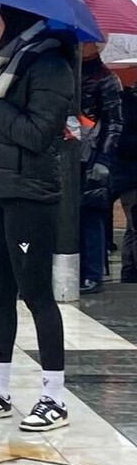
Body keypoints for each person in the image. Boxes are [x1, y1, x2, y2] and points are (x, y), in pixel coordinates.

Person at [0, 4, 74, 432]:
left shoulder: (50, 64)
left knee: (36, 294)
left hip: (29, 194)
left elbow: (37, 135)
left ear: (18, 16)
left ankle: (54, 396)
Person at [77, 43, 122, 294]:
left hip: (93, 155)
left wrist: (104, 159)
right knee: (75, 217)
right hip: (73, 152)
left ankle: (92, 274)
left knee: (91, 217)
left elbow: (114, 124)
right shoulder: (71, 71)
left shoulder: (106, 79)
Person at [114, 82, 137, 284]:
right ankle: (130, 271)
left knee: (132, 226)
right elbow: (123, 143)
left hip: (126, 176)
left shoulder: (125, 104)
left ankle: (129, 272)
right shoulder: (128, 107)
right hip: (130, 176)